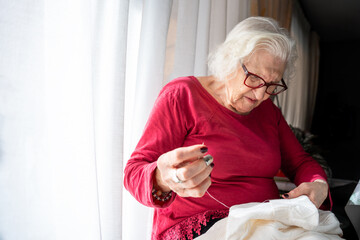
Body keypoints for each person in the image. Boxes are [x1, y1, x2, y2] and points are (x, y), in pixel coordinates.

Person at [124, 16, 330, 240]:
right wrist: (162, 178)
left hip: (266, 221)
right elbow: (134, 172)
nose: (261, 95)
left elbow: (300, 161)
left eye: (272, 85)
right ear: (230, 60)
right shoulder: (182, 95)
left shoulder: (269, 112)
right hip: (200, 226)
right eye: (254, 78)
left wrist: (319, 184)